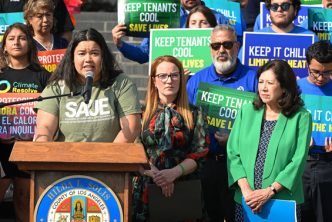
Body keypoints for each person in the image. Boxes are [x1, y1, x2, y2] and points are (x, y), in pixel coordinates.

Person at [186, 24, 257, 222]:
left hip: (243, 166)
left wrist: (235, 140)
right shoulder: (196, 81)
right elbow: (188, 123)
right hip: (206, 165)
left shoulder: (254, 79)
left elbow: (264, 125)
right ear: (210, 48)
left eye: (227, 44)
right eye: (216, 46)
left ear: (237, 46)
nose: (221, 50)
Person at [227, 59, 312, 221]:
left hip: (282, 201)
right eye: (261, 82)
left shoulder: (301, 117)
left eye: (270, 83)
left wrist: (269, 192)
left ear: (284, 87)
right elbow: (233, 153)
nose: (263, 88)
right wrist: (246, 191)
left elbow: (298, 161)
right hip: (247, 200)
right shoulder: (247, 111)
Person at [132, 55, 209, 221]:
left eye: (174, 75)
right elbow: (134, 150)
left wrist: (173, 174)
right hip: (147, 186)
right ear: (153, 80)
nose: (169, 80)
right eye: (163, 76)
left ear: (182, 79)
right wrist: (158, 176)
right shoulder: (141, 114)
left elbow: (200, 152)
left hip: (184, 188)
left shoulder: (195, 113)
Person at [34, 28, 142, 143]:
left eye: (94, 53)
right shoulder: (57, 87)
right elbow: (44, 129)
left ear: (103, 57)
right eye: (81, 54)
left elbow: (131, 127)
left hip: (109, 158)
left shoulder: (121, 83)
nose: (88, 59)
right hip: (67, 158)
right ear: (72, 59)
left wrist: (107, 158)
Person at [0, 22, 50, 222]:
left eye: (21, 38)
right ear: (4, 46)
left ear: (30, 43)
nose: (16, 43)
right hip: (1, 149)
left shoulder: (43, 75)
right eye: (11, 39)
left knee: (23, 199)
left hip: (29, 149)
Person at [111, 0, 228, 64]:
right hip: (171, 83)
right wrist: (121, 44)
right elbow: (145, 54)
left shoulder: (220, 18)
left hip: (207, 82)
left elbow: (231, 51)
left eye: (203, 22)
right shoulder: (163, 17)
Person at [297, 41, 332, 222]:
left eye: (327, 72)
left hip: (328, 165)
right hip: (300, 165)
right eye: (316, 71)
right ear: (306, 65)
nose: (321, 77)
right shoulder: (294, 90)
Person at [0, 0, 74, 42]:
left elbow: (66, 32)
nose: (45, 19)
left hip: (49, 57)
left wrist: (56, 52)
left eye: (47, 15)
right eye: (39, 16)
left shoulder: (55, 1)